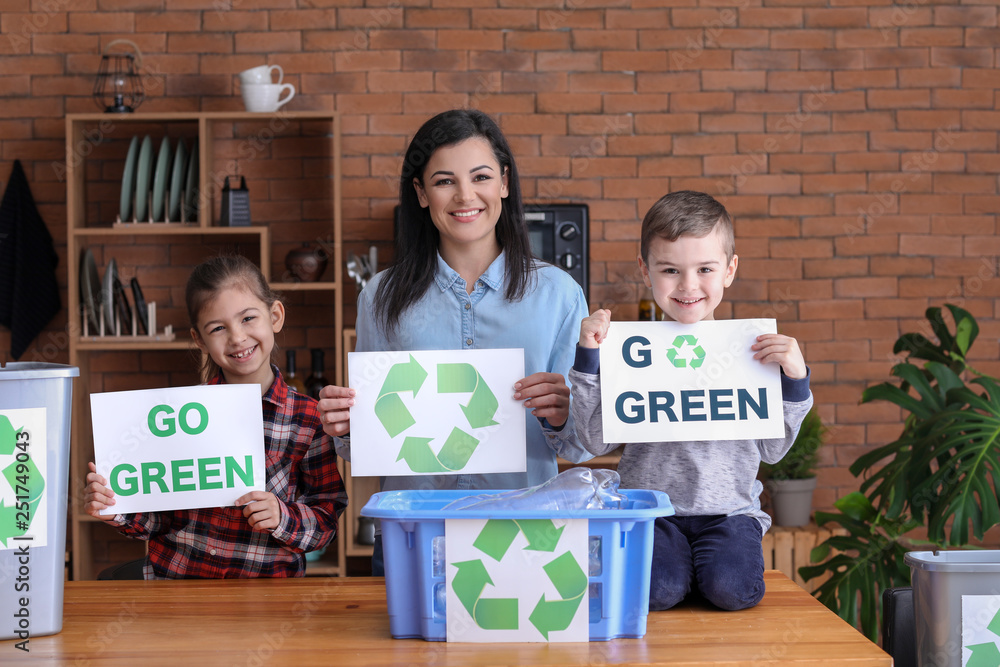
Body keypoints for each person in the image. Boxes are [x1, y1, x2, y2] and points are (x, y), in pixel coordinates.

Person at [318, 108, 591, 574]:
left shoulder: (560, 295)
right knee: (409, 647)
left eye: (480, 176)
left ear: (504, 182)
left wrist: (567, 414)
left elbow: (580, 447)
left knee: (523, 650)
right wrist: (344, 427)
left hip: (525, 529)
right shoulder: (379, 296)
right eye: (445, 181)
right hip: (415, 531)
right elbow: (369, 439)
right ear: (421, 194)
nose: (466, 196)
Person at [570, 190, 813, 611]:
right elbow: (595, 441)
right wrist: (589, 359)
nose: (688, 286)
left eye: (705, 268)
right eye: (670, 269)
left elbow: (774, 451)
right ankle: (682, 572)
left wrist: (795, 381)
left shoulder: (752, 353)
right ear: (646, 272)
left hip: (730, 513)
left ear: (730, 270)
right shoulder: (630, 354)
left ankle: (703, 570)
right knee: (657, 592)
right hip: (653, 512)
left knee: (732, 590)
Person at [83, 255, 347, 579]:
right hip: (177, 592)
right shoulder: (175, 418)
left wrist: (282, 517)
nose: (237, 337)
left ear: (275, 316)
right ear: (200, 340)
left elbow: (325, 521)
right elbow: (159, 522)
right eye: (218, 328)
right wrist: (115, 506)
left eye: (248, 318)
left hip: (267, 602)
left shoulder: (308, 421)